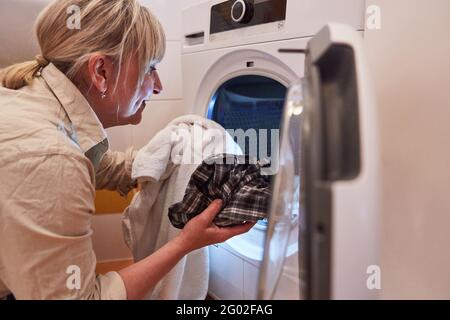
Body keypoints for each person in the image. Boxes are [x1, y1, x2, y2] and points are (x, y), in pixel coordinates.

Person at [0, 0, 254, 300]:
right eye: (150, 69)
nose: (158, 86)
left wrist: (169, 155)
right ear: (101, 72)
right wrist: (185, 243)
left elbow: (96, 163)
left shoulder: (35, 100)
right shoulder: (51, 158)